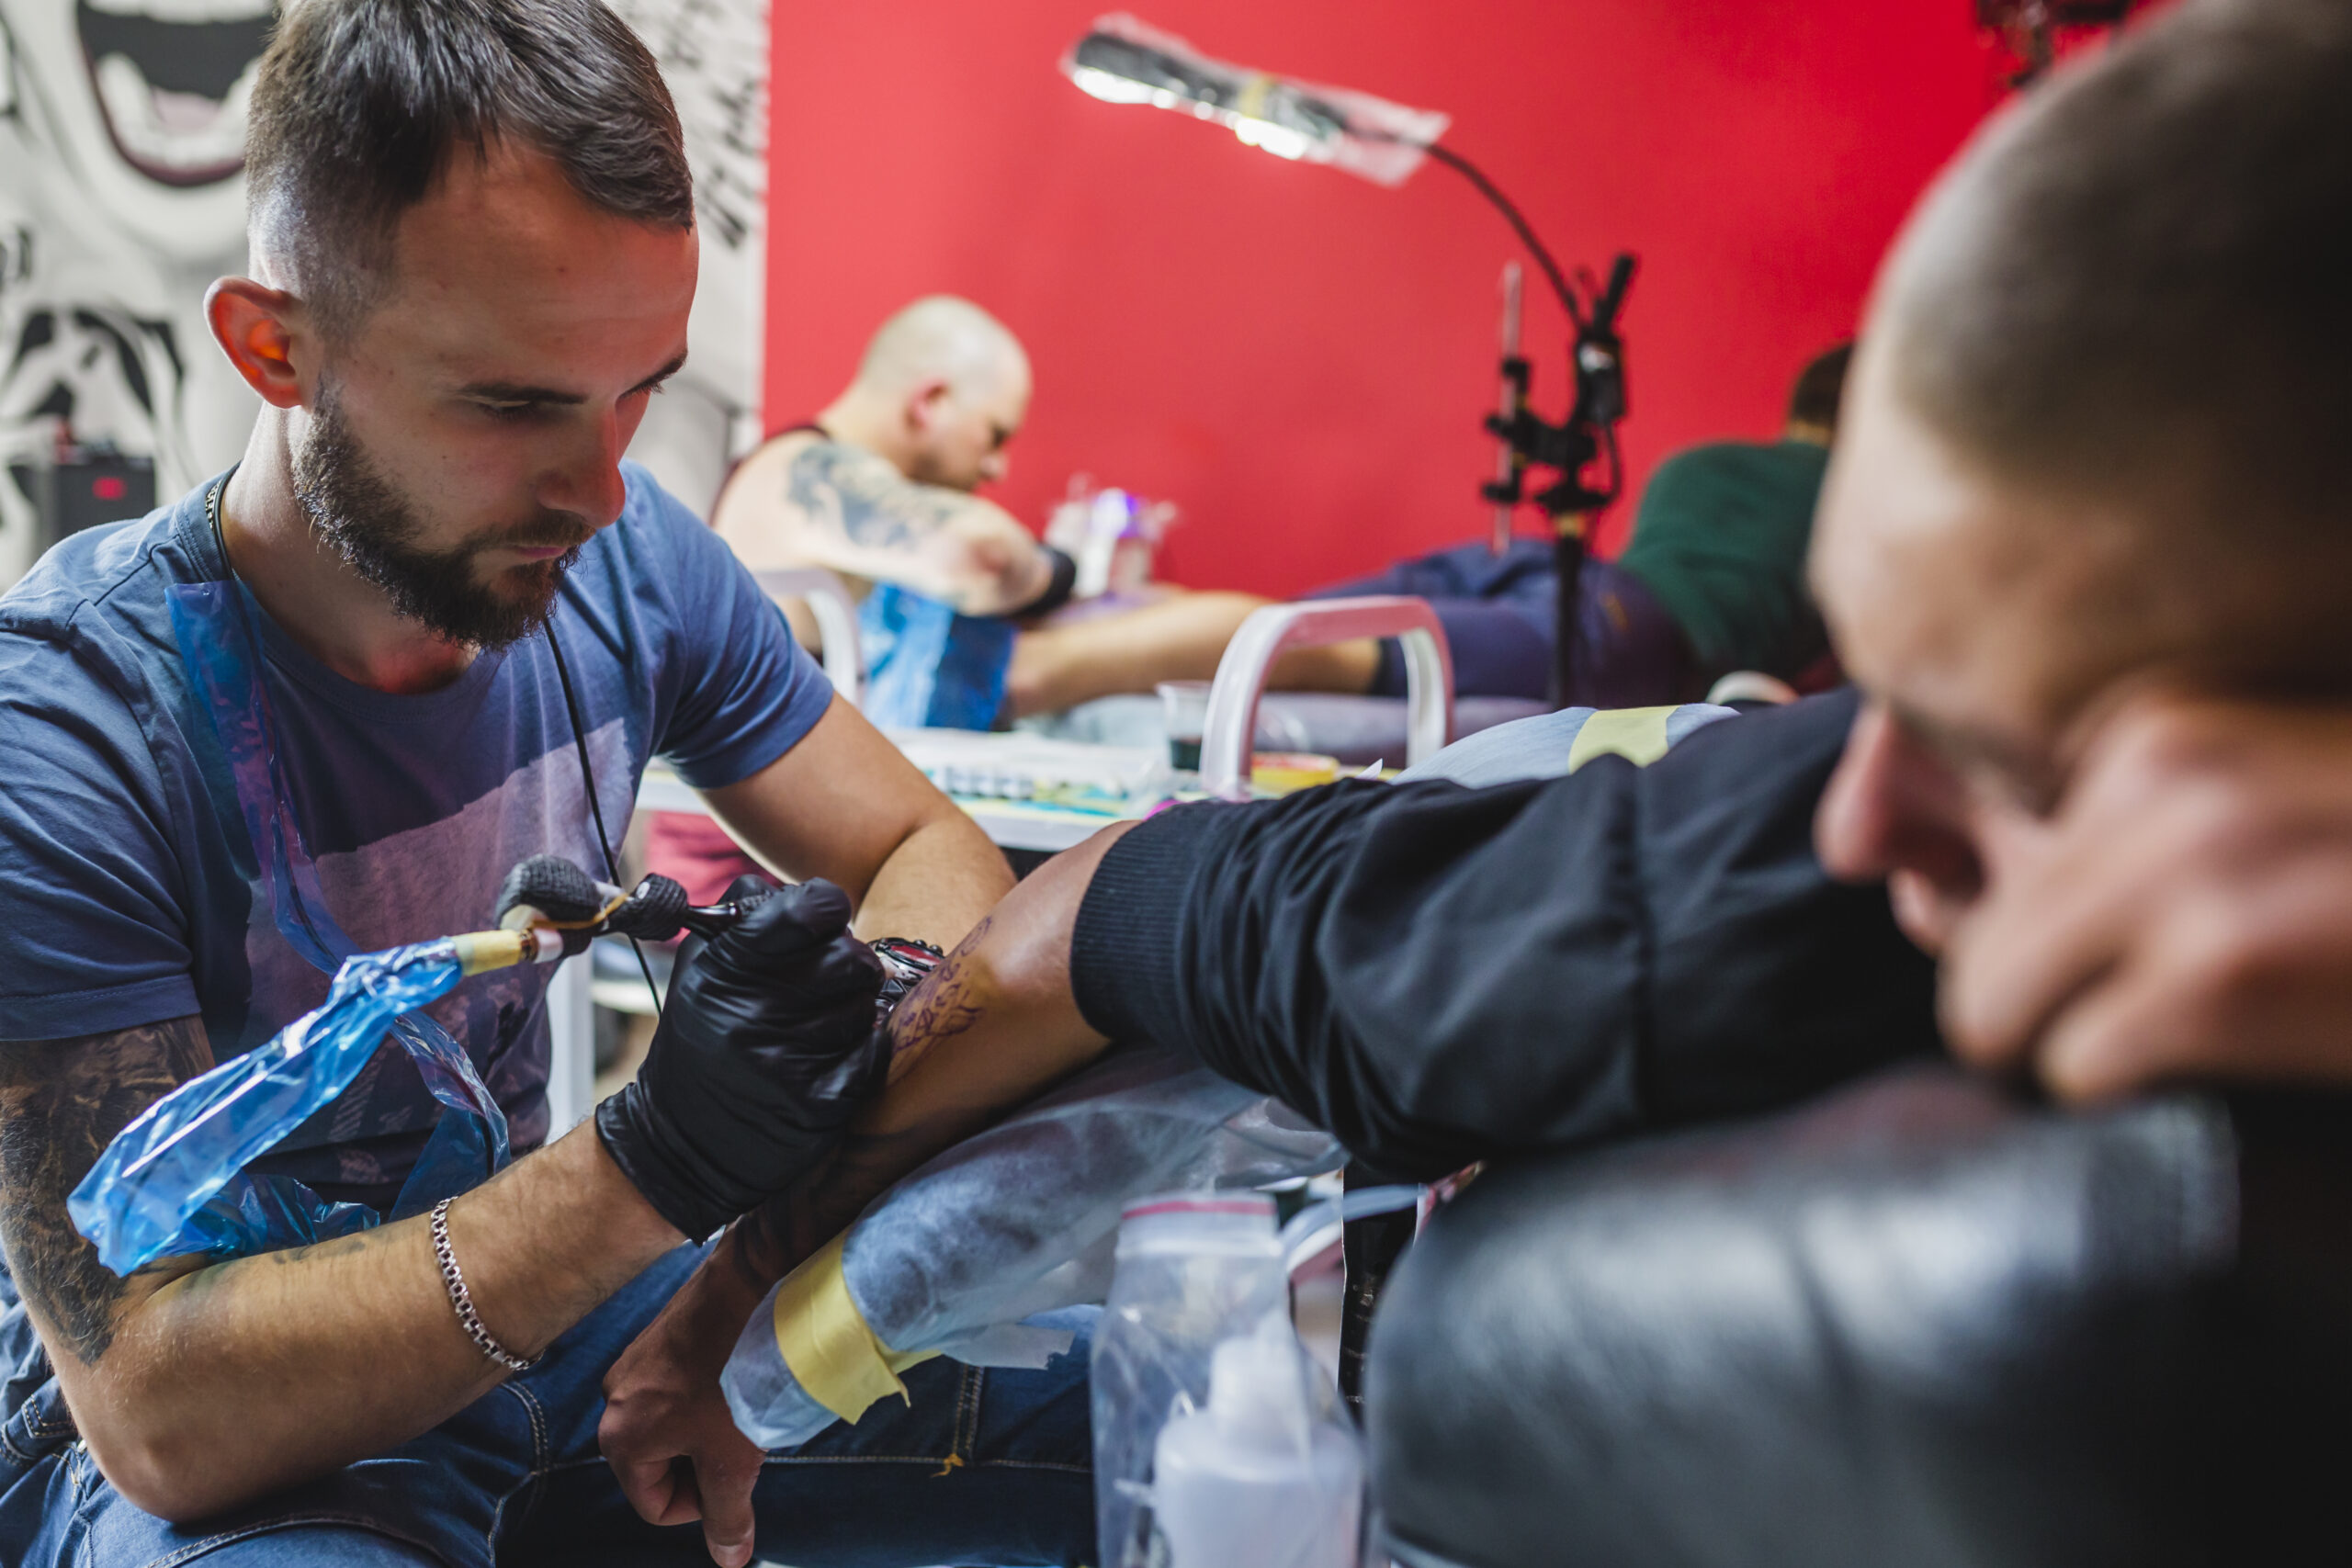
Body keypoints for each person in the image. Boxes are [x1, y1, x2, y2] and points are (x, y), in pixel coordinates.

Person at [600, 0, 2352, 1540]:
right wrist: (740, 1301)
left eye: (1995, 739)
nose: (1869, 806)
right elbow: (1148, 915)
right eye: (1869, 690)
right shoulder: (1748, 845)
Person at [0, 5, 1091, 1567]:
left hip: (541, 1328)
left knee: (1105, 1392)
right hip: (205, 1453)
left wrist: (846, 1033)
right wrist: (655, 1159)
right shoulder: (67, 728)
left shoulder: (627, 560)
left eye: (639, 388)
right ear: (275, 347)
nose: (597, 488)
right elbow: (157, 1404)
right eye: (512, 406)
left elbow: (920, 841)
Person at [1001, 344, 1854, 716]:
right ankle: (1026, 675)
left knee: (1290, 620)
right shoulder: (1850, 493)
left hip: (1552, 573)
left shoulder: (1705, 464)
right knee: (1315, 651)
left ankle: (1037, 628)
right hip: (1626, 631)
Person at [645, 294, 1075, 903]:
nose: (997, 465)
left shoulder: (835, 493)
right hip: (738, 881)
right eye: (994, 434)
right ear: (931, 402)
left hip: (792, 848)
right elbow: (986, 559)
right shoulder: (800, 470)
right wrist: (1062, 569)